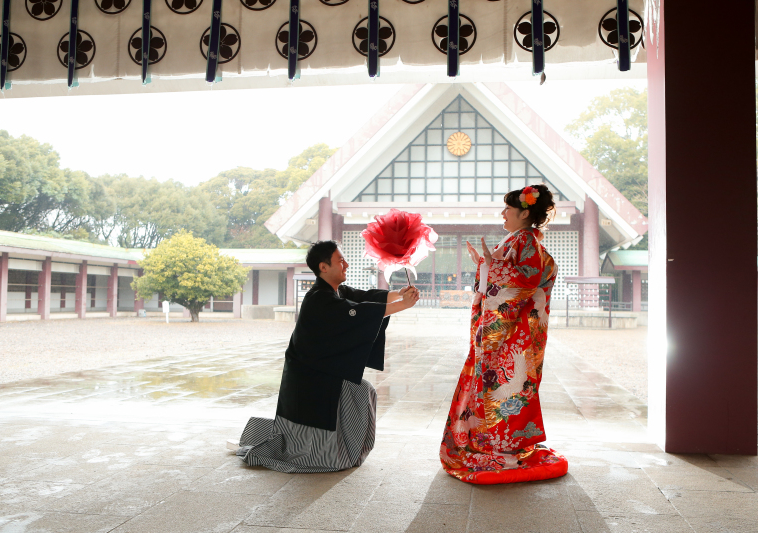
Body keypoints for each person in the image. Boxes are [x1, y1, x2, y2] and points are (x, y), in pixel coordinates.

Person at [237, 240, 419, 473]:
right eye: (340, 260)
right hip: (309, 380)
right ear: (323, 267)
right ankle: (329, 452)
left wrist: (398, 295)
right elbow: (357, 314)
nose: (347, 264)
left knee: (364, 391)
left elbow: (364, 299)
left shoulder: (335, 291)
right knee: (361, 391)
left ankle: (348, 450)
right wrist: (402, 305)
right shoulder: (318, 298)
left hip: (324, 372)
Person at [439, 184, 568, 484]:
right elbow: (510, 276)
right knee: (502, 387)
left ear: (524, 212)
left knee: (505, 387)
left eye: (508, 209)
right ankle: (496, 442)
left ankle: (501, 446)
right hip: (514, 333)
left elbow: (526, 279)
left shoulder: (525, 241)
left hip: (515, 336)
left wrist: (492, 267)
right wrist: (486, 265)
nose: (502, 213)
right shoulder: (519, 239)